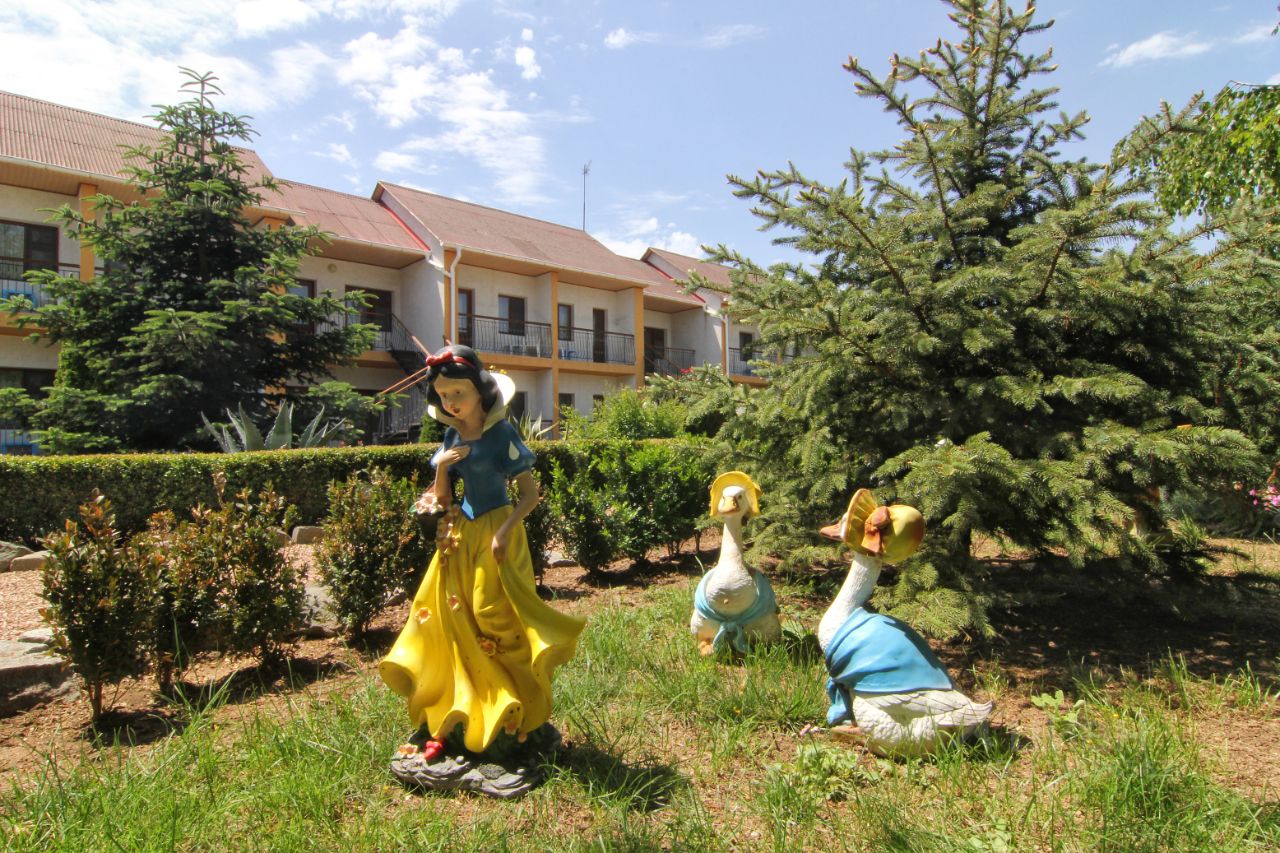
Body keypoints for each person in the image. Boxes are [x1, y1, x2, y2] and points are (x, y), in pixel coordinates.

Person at [379, 345, 585, 769]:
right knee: (449, 614)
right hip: (461, 532)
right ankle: (467, 704)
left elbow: (529, 495)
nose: (451, 402)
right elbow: (442, 498)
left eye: (458, 392)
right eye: (444, 395)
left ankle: (514, 699)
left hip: (497, 530)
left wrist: (504, 533)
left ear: (481, 391)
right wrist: (441, 467)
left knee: (493, 613)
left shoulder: (501, 435)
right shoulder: (452, 437)